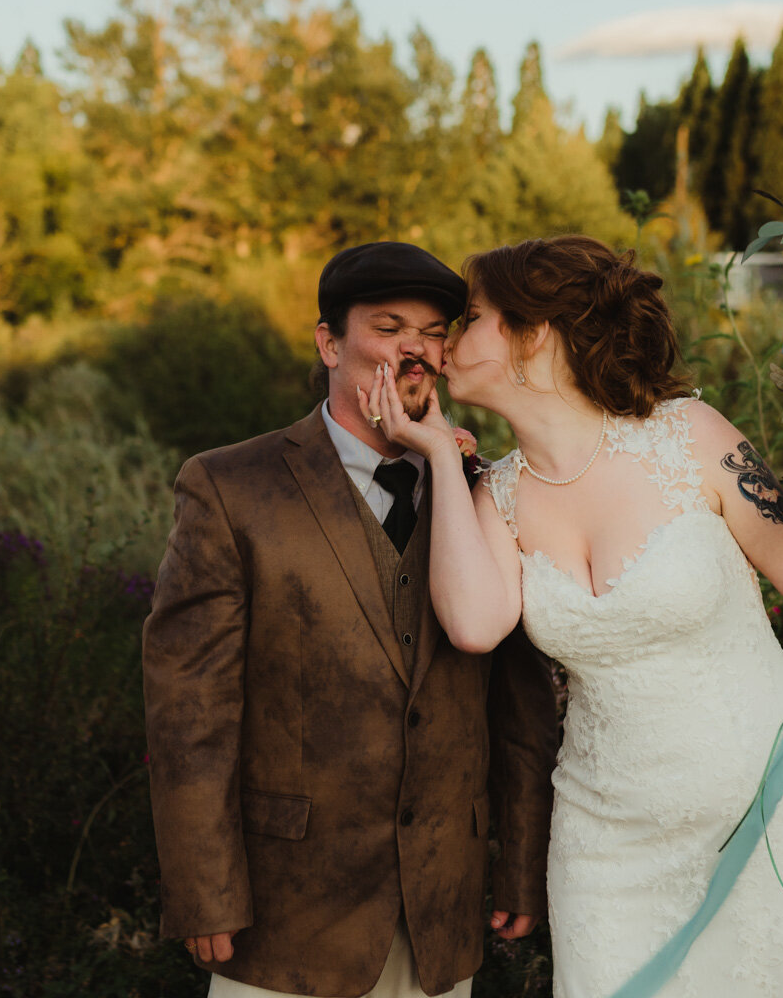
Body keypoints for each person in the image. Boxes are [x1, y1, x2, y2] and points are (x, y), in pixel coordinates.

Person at [364, 235, 783, 997]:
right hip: (606, 843)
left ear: (535, 335)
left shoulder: (689, 435)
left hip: (766, 812)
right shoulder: (492, 497)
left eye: (471, 318)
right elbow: (474, 625)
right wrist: (437, 453)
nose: (446, 341)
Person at [142, 241, 559, 998]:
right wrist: (205, 890)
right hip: (286, 911)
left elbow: (521, 706)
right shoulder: (230, 487)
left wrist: (521, 865)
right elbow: (189, 714)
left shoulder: (485, 491)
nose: (414, 347)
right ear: (329, 343)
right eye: (388, 325)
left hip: (441, 907)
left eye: (434, 331)